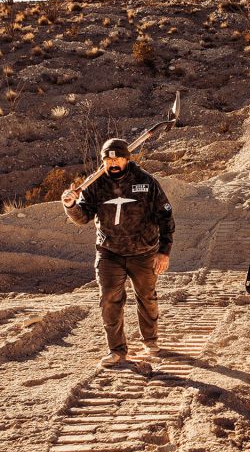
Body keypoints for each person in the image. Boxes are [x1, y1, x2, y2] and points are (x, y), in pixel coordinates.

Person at [62, 137, 174, 376]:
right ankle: (117, 350)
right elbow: (83, 218)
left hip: (143, 252)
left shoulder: (146, 182)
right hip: (109, 252)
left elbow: (166, 217)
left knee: (147, 297)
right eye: (108, 159)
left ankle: (150, 340)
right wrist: (71, 205)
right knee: (109, 300)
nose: (113, 163)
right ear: (103, 161)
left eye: (117, 158)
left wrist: (164, 251)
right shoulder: (95, 184)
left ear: (126, 159)